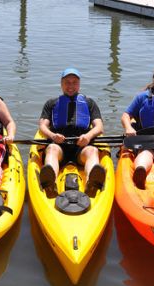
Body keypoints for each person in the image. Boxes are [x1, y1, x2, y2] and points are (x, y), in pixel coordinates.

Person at [38, 68, 105, 196]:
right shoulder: (51, 103)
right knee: (51, 148)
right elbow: (42, 126)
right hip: (59, 146)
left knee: (92, 151)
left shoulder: (89, 103)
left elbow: (99, 126)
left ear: (79, 84)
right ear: (61, 84)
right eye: (67, 82)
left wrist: (88, 136)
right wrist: (52, 135)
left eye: (74, 82)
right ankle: (50, 184)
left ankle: (92, 184)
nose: (71, 86)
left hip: (82, 147)